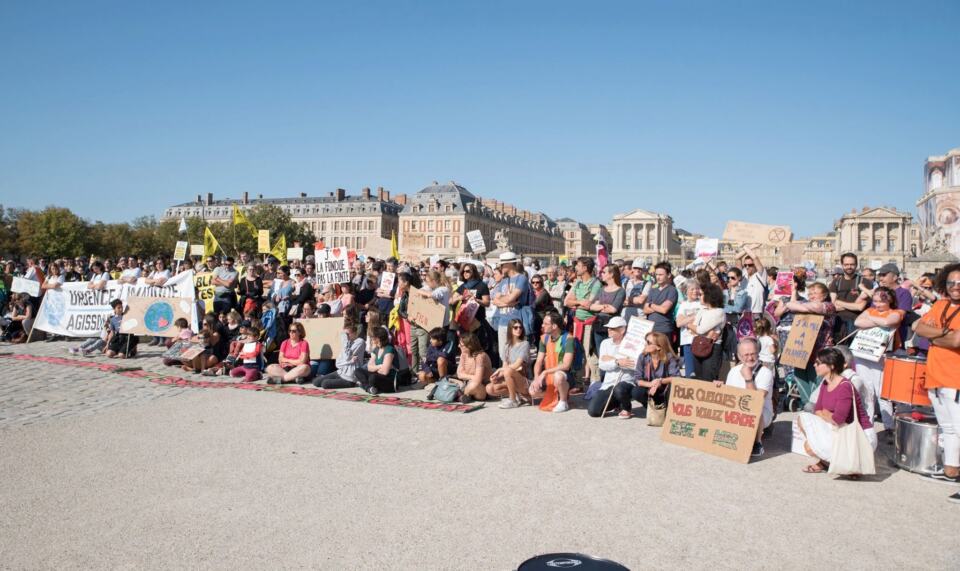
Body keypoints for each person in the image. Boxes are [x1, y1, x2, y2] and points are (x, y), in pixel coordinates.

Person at [912, 264, 960, 499]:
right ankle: (951, 470)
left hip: (956, 378)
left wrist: (935, 334)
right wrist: (944, 334)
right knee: (949, 429)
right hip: (936, 375)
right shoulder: (940, 304)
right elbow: (918, 327)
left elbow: (957, 341)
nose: (955, 287)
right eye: (951, 282)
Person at [796, 348, 877, 475]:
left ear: (831, 366)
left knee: (811, 444)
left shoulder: (845, 386)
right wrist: (827, 414)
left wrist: (827, 414)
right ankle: (831, 462)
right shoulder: (825, 383)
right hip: (840, 429)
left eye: (818, 362)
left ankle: (846, 464)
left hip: (859, 436)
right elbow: (817, 410)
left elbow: (839, 419)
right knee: (804, 421)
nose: (814, 365)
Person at [852, 287, 905, 431]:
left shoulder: (897, 312)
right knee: (867, 390)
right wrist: (879, 320)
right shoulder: (870, 310)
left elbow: (889, 322)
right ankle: (867, 423)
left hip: (882, 356)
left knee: (881, 391)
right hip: (863, 353)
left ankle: (888, 426)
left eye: (882, 301)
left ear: (891, 300)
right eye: (875, 301)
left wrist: (870, 319)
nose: (878, 304)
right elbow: (858, 322)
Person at [721, 338, 775, 457]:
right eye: (746, 355)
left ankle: (757, 443)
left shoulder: (765, 372)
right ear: (739, 356)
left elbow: (755, 402)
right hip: (737, 409)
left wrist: (748, 378)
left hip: (760, 413)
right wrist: (719, 388)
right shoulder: (733, 371)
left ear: (758, 354)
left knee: (754, 411)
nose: (750, 358)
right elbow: (728, 395)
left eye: (753, 354)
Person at [615, 331, 681, 420]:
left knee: (672, 388)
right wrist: (651, 384)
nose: (645, 344)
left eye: (649, 342)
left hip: (664, 391)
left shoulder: (669, 357)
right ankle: (649, 408)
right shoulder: (643, 357)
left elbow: (677, 377)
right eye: (645, 341)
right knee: (633, 391)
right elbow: (637, 379)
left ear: (658, 346)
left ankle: (665, 408)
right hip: (649, 390)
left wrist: (660, 381)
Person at [587, 316, 637, 418]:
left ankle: (626, 407)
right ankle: (617, 402)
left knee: (619, 389)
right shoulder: (605, 343)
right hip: (608, 384)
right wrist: (617, 362)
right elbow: (602, 365)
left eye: (612, 328)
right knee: (593, 411)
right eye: (608, 327)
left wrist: (611, 358)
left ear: (622, 330)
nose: (608, 330)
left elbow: (633, 365)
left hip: (626, 382)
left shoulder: (632, 344)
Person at [564, 256, 602, 382]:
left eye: (578, 266)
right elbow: (566, 302)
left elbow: (588, 304)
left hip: (589, 323)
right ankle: (579, 382)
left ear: (585, 268)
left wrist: (576, 303)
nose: (576, 267)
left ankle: (595, 383)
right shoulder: (577, 282)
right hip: (577, 322)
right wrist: (579, 302)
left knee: (590, 354)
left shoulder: (596, 284)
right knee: (578, 353)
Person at [529, 311, 575, 413]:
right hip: (550, 375)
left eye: (545, 324)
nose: (542, 325)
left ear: (554, 326)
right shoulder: (544, 338)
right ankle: (555, 394)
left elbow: (566, 365)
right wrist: (536, 378)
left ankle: (563, 401)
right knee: (532, 391)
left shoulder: (568, 338)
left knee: (558, 376)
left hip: (565, 375)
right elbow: (539, 361)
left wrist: (545, 372)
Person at [491, 252, 530, 361]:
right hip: (502, 321)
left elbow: (510, 298)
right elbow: (494, 301)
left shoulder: (521, 278)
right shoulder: (503, 281)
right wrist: (507, 302)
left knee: (516, 354)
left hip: (516, 322)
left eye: (501, 265)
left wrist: (504, 300)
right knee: (503, 355)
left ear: (509, 264)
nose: (500, 268)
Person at [488, 318, 532, 408]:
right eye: (515, 327)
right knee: (489, 388)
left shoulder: (525, 344)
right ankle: (518, 395)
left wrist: (500, 369)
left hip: (523, 380)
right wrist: (497, 376)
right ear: (510, 330)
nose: (519, 329)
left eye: (520, 327)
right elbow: (505, 366)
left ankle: (513, 400)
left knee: (508, 371)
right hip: (510, 377)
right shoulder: (507, 346)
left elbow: (517, 365)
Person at [829, 253, 872, 343]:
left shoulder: (864, 282)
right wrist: (853, 305)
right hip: (838, 322)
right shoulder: (835, 282)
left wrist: (839, 302)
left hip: (856, 323)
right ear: (842, 265)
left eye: (852, 264)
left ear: (856, 265)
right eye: (846, 264)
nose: (849, 267)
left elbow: (860, 307)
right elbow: (833, 306)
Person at [686, 283, 725, 382]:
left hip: (712, 348)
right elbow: (693, 330)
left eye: (702, 294)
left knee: (708, 380)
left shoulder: (719, 312)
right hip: (698, 346)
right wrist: (691, 326)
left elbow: (700, 330)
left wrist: (691, 326)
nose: (699, 296)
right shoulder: (702, 310)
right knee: (698, 378)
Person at [312, 323, 367, 389]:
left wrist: (345, 342)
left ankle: (353, 384)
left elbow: (347, 356)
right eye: (344, 334)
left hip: (349, 377)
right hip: (340, 372)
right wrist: (349, 361)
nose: (345, 337)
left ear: (354, 333)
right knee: (316, 382)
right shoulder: (346, 344)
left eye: (347, 334)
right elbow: (338, 364)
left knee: (325, 384)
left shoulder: (360, 342)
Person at [589, 264, 626, 358]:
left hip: (613, 326)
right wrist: (604, 306)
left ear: (611, 274)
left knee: (611, 353)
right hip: (599, 324)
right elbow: (592, 306)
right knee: (600, 353)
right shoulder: (602, 289)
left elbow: (613, 309)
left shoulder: (620, 291)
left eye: (604, 272)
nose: (602, 274)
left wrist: (599, 306)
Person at [447, 332, 492, 404]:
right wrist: (472, 376)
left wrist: (466, 376)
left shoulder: (480, 356)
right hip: (467, 383)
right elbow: (459, 374)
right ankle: (465, 395)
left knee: (474, 384)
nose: (458, 346)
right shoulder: (464, 354)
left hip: (481, 388)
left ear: (469, 346)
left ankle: (461, 395)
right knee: (448, 380)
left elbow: (478, 380)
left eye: (461, 345)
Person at [356, 326, 403, 395]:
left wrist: (375, 368)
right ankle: (369, 388)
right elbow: (369, 367)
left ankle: (365, 385)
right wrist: (380, 366)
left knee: (372, 378)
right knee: (358, 371)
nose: (371, 340)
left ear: (378, 338)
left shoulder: (389, 349)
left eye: (373, 338)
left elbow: (385, 372)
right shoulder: (376, 349)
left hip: (390, 381)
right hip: (379, 376)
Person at [643, 262, 678, 337]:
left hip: (663, 329)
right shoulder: (653, 290)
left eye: (661, 275)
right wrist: (657, 307)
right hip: (650, 328)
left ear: (668, 275)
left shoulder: (672, 290)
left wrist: (651, 305)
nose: (658, 277)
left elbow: (664, 310)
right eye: (656, 275)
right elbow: (645, 310)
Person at [675, 280, 702, 378]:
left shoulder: (702, 303)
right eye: (692, 289)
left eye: (697, 289)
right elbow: (679, 323)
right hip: (687, 341)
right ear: (686, 291)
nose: (695, 291)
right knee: (690, 372)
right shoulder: (683, 305)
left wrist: (686, 320)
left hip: (701, 340)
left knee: (700, 371)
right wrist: (694, 316)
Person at [739, 245, 768, 318]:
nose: (747, 267)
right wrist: (750, 247)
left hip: (756, 313)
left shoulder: (760, 275)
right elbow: (737, 258)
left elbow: (755, 258)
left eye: (750, 265)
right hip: (743, 312)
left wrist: (744, 246)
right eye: (745, 265)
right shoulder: (743, 276)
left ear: (755, 265)